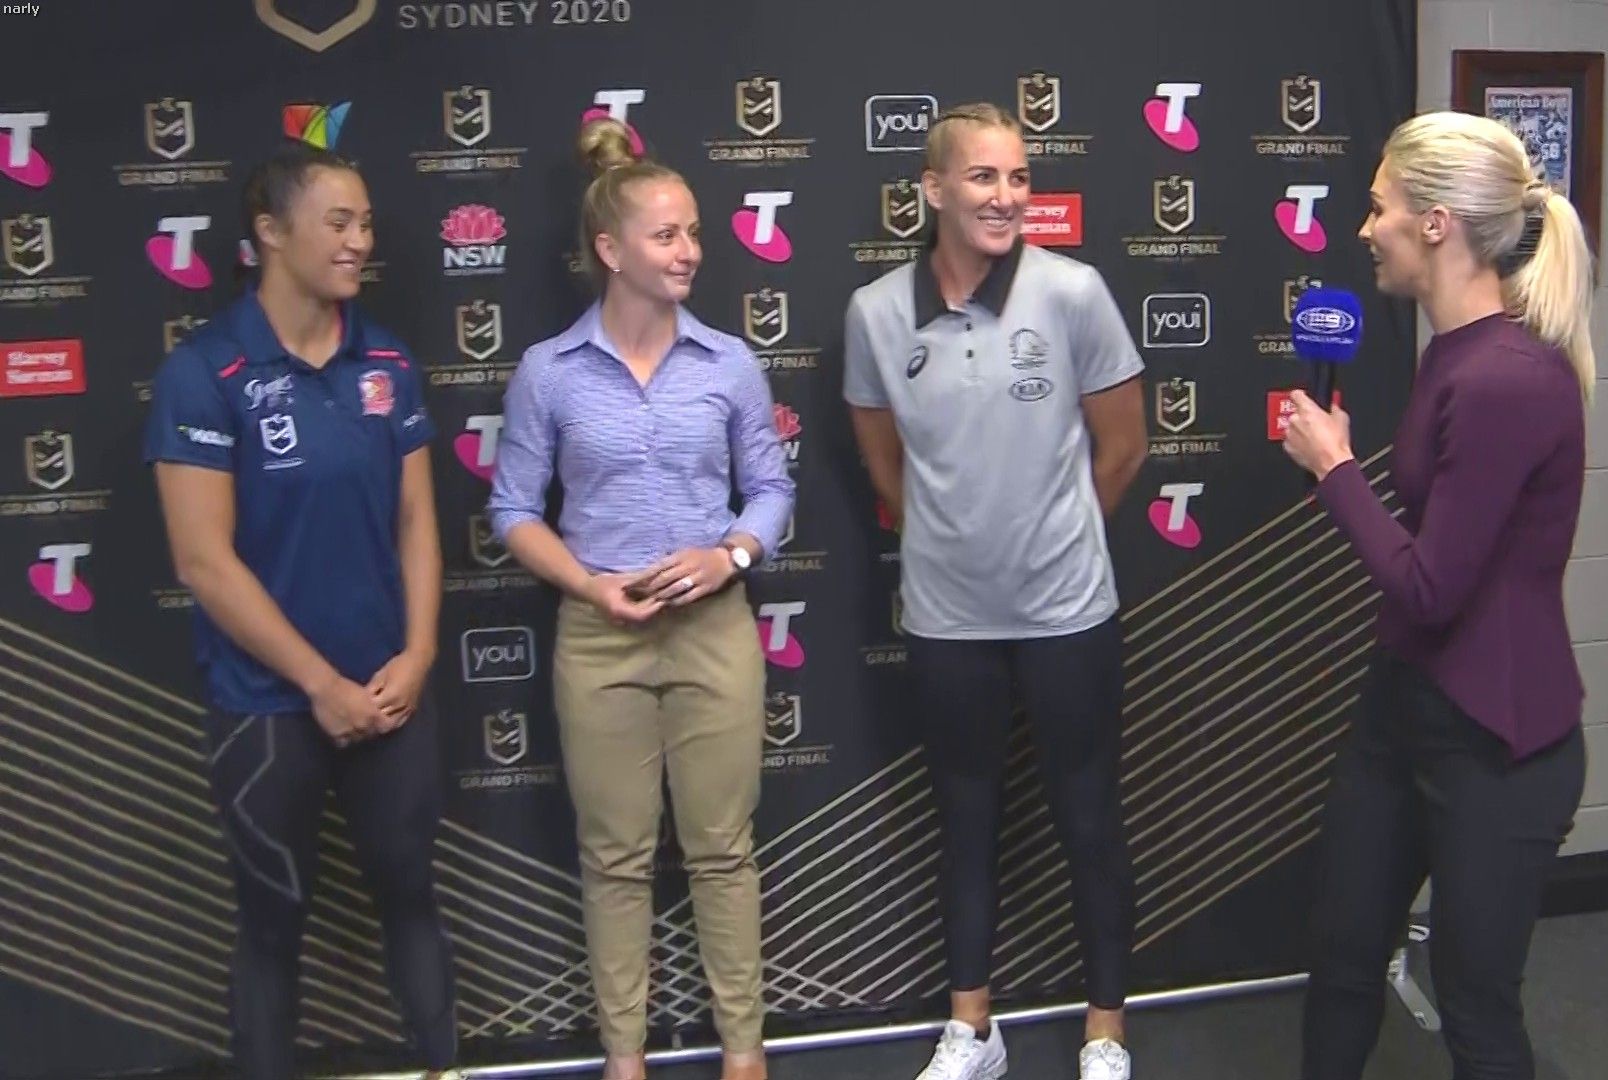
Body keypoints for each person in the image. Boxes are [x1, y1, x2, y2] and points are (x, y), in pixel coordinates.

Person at [1279, 110, 1595, 1080]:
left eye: (1378, 207)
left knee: (1476, 1008)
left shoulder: (1508, 378)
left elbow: (1430, 587)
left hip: (1497, 744)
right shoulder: (1450, 355)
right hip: (1405, 710)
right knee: (1341, 957)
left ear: (1434, 224)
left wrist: (1336, 471)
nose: (1364, 228)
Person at [842, 103, 1149, 1080]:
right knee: (964, 819)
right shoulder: (875, 313)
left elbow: (1123, 448)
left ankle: (1106, 1030)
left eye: (1020, 177)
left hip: (1067, 613)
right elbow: (885, 467)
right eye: (984, 177)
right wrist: (963, 544)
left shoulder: (1074, 292)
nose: (1008, 196)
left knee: (1088, 818)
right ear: (933, 189)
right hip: (946, 620)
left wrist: (1047, 539)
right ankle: (974, 1028)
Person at [144, 141, 463, 1080]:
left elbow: (417, 521)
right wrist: (320, 684)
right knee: (270, 921)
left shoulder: (387, 361)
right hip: (268, 705)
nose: (360, 240)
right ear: (271, 233)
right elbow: (203, 561)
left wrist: (418, 654)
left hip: (391, 692)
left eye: (365, 223)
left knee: (412, 894)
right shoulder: (204, 372)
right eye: (338, 222)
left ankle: (444, 1066)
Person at [486, 117, 794, 1080]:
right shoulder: (548, 372)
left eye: (693, 232)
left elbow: (772, 489)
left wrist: (730, 555)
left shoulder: (729, 363)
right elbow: (512, 510)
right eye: (666, 235)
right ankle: (625, 1060)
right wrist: (589, 584)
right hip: (599, 638)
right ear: (611, 251)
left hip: (713, 633)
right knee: (615, 859)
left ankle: (744, 1056)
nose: (690, 250)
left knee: (722, 851)